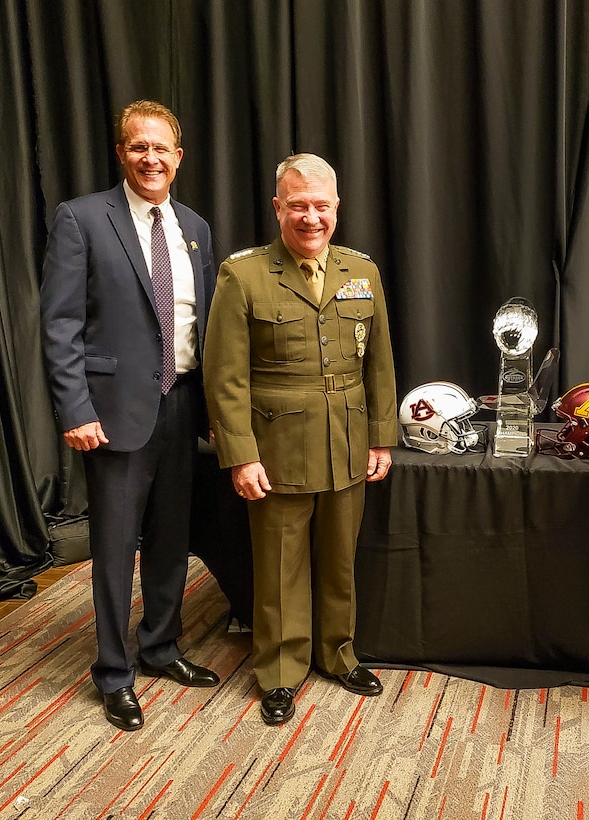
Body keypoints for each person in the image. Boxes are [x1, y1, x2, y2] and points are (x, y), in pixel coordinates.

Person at [40, 100, 220, 732]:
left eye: (162, 148)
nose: (151, 159)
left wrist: (214, 410)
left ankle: (162, 646)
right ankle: (114, 673)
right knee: (116, 548)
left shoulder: (195, 226)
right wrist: (75, 408)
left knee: (172, 540)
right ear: (121, 153)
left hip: (184, 405)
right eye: (138, 147)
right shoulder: (83, 219)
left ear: (178, 156)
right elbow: (60, 324)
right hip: (112, 414)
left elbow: (205, 325)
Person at [203, 153, 397, 726]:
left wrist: (381, 438)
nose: (310, 219)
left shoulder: (362, 272)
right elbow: (225, 377)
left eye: (321, 206)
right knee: (281, 567)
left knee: (339, 559)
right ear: (277, 208)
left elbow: (380, 363)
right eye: (298, 207)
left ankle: (338, 654)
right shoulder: (244, 275)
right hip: (278, 447)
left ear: (337, 208)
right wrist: (240, 454)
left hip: (347, 442)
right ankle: (281, 672)